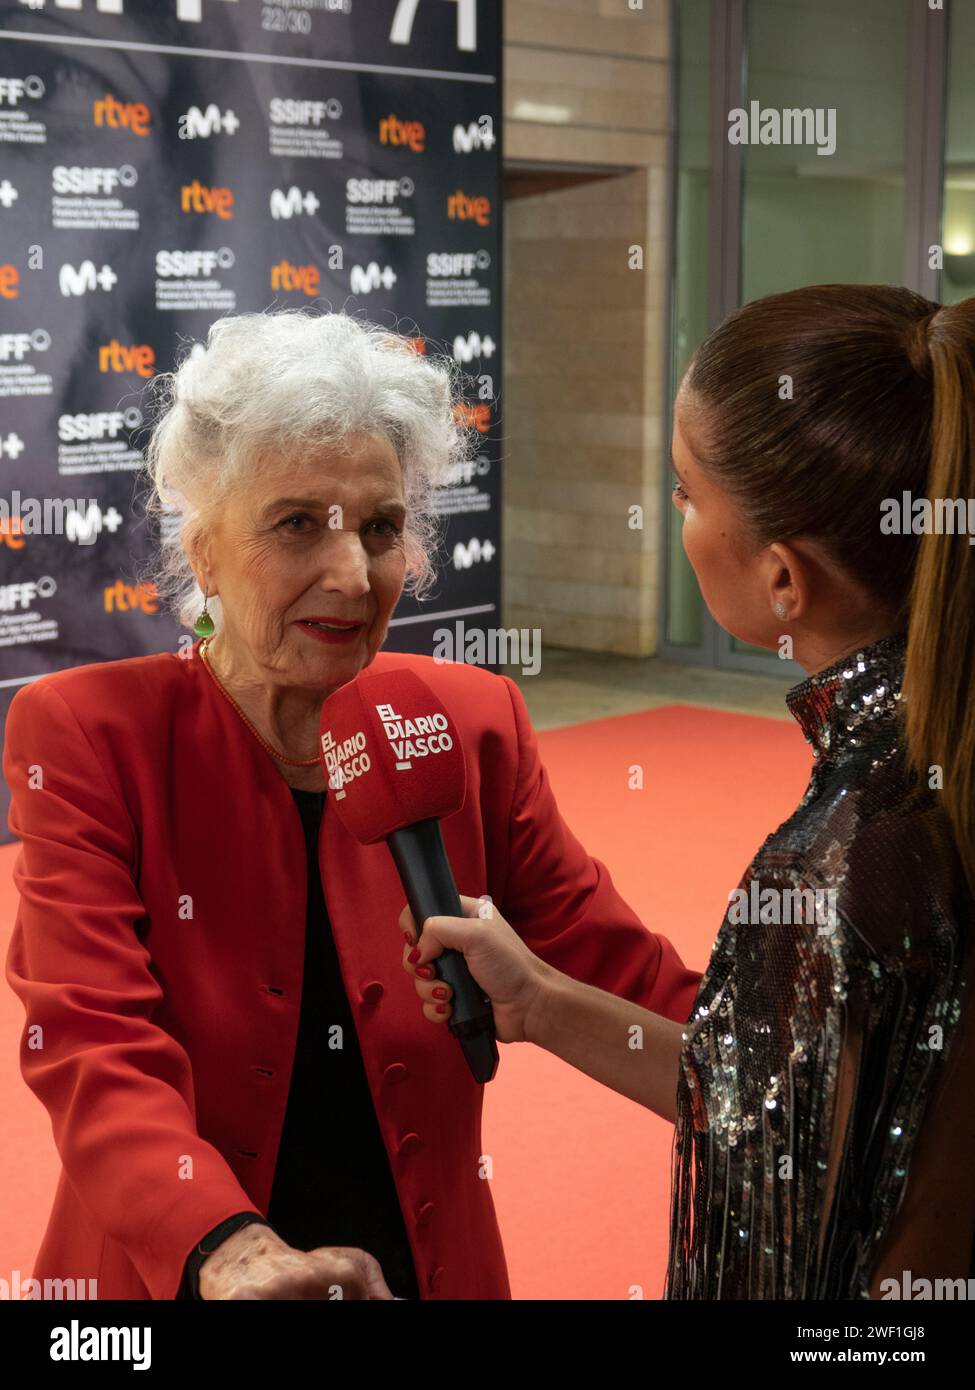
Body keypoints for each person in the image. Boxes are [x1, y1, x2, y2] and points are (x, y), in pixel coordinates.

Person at [3, 308, 700, 1301]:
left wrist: (798, 1067)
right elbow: (90, 1040)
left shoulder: (470, 718)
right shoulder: (88, 732)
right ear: (203, 552)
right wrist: (228, 1249)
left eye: (380, 528)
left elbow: (625, 972)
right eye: (297, 524)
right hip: (181, 1273)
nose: (352, 573)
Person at [401, 284, 975, 1299]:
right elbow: (769, 1106)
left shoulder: (846, 853)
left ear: (784, 580)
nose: (673, 514)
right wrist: (541, 1002)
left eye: (684, 491)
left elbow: (782, 1219)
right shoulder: (923, 773)